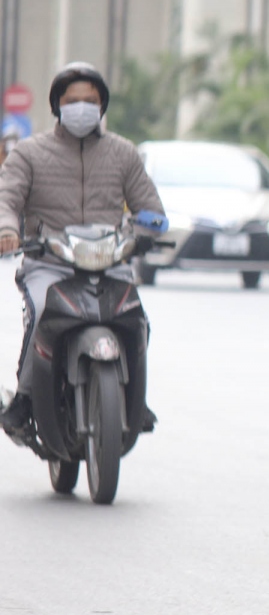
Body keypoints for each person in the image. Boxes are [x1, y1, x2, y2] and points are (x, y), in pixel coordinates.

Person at [0, 63, 165, 435]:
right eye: (72, 101)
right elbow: (6, 199)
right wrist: (7, 230)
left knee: (136, 318)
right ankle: (26, 399)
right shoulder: (28, 153)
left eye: (90, 101)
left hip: (110, 262)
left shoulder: (123, 153)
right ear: (57, 106)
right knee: (42, 311)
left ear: (102, 106)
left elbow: (148, 206)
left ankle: (133, 398)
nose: (81, 107)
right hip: (49, 264)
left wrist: (150, 225)